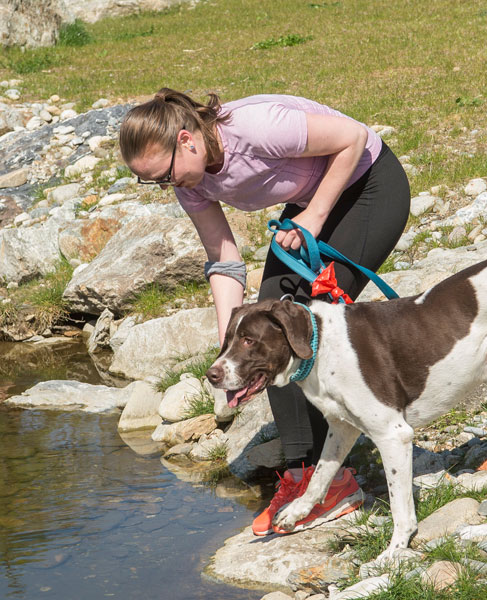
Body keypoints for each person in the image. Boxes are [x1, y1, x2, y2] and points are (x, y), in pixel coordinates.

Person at [119, 89, 410, 535]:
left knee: (300, 331)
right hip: (314, 203)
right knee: (263, 334)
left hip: (368, 183)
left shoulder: (255, 127)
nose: (167, 186)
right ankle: (304, 476)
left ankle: (329, 479)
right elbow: (225, 260)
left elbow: (354, 137)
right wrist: (230, 347)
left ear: (186, 140)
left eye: (166, 175)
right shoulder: (190, 180)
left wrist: (313, 216)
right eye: (155, 181)